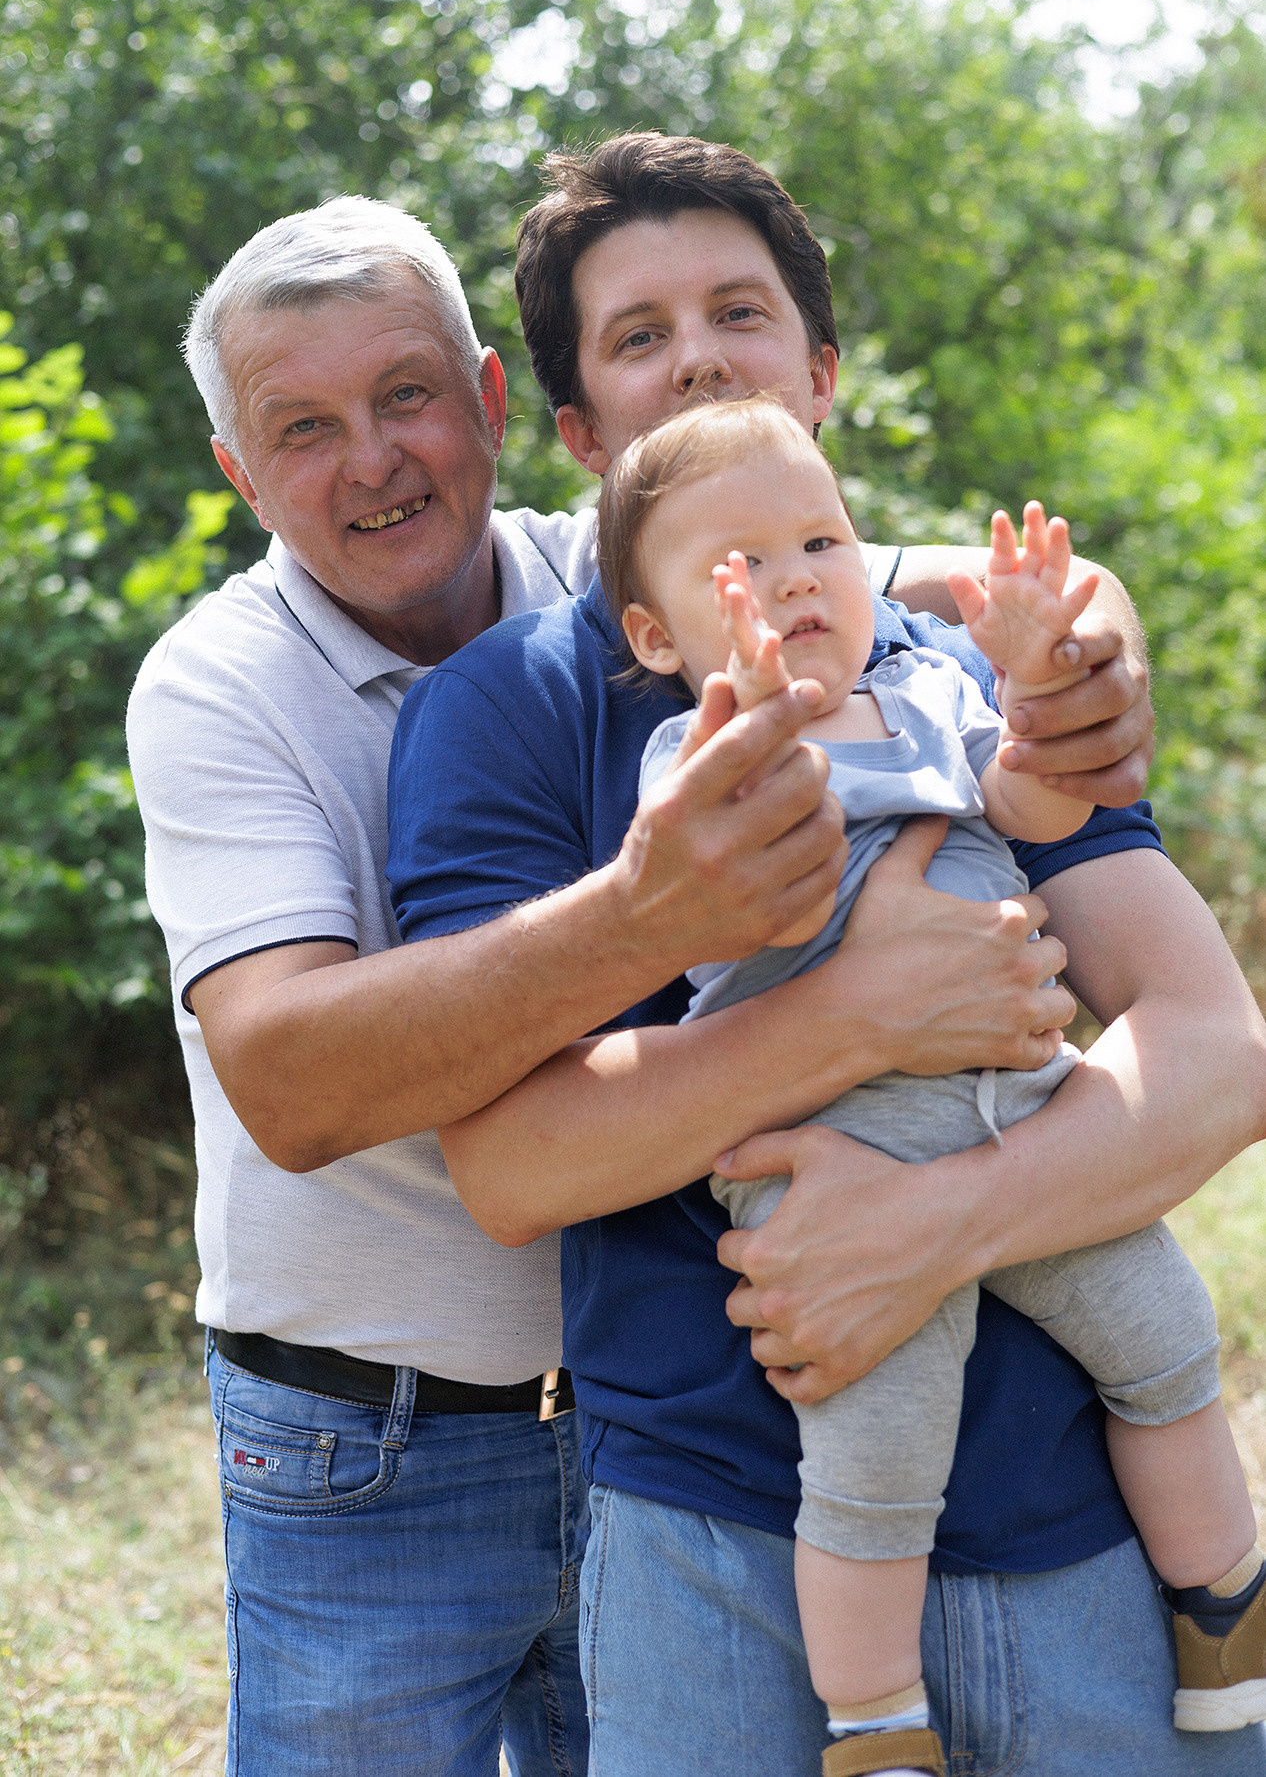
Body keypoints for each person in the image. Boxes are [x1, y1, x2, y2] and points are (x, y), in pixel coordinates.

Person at [126, 185, 1153, 1774]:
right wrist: (657, 917)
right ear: (241, 475)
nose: (375, 458)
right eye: (305, 428)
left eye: (406, 397)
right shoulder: (220, 684)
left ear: (487, 404)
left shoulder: (634, 565)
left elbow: (898, 572)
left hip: (659, 1408)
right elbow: (291, 1082)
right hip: (373, 1434)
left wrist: (1089, 623)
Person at [387, 132, 1266, 1775]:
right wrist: (859, 1010)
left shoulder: (951, 666)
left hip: (1079, 1522)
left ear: (820, 375)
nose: (700, 353)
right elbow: (516, 1160)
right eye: (637, 335)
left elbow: (1216, 1055)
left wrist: (928, 1222)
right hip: (719, 1534)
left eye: (738, 310)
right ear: (577, 432)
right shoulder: (501, 712)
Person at [611, 394, 1266, 1771]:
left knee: (1162, 1336)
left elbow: (1030, 810)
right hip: (846, 1163)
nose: (793, 580)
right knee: (875, 1458)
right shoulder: (691, 765)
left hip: (1021, 1117)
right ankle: (875, 1722)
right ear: (657, 637)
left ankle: (1222, 1609)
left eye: (820, 541)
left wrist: (1027, 696)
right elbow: (747, 917)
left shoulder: (926, 693)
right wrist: (759, 714)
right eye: (739, 569)